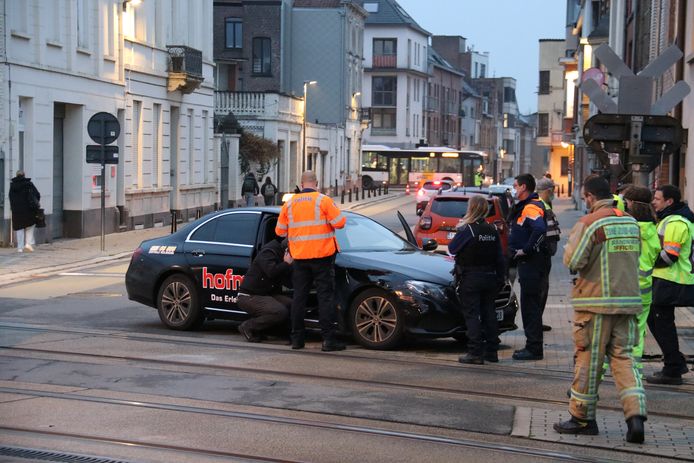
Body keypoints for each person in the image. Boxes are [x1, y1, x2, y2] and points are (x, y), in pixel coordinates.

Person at [555, 174, 646, 443]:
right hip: (628, 303)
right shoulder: (630, 222)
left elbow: (573, 260)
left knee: (588, 361)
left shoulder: (589, 223)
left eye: (585, 198)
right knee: (625, 360)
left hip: (594, 305)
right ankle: (635, 417)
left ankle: (582, 418)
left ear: (591, 197)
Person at [275, 170, 347, 351]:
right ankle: (328, 340)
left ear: (301, 183)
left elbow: (280, 232)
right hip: (322, 257)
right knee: (325, 298)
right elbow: (340, 222)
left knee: (299, 298)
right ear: (316, 182)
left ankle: (297, 340)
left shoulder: (290, 204)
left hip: (299, 258)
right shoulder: (323, 200)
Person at [646, 184, 694, 385]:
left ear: (669, 201)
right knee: (658, 319)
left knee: (660, 321)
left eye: (657, 199)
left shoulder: (675, 222)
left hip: (673, 279)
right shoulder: (674, 219)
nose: (654, 202)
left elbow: (670, 255)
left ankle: (673, 367)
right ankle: (674, 362)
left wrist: (647, 261)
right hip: (671, 279)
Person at [449, 195, 505, 364]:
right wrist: (500, 278)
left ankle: (475, 352)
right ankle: (492, 352)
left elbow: (452, 249)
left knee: (472, 315)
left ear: (471, 208)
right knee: (489, 314)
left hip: (471, 278)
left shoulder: (468, 230)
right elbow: (500, 257)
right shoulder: (492, 229)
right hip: (490, 277)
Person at [622, 186, 660, 379]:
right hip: (644, 289)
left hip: (623, 288)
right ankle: (634, 376)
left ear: (631, 204)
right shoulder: (654, 229)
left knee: (611, 333)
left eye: (626, 202)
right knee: (638, 333)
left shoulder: (627, 228)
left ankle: (596, 378)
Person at [508, 173, 547, 360]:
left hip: (531, 264)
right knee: (531, 306)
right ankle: (533, 346)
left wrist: (526, 250)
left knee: (530, 307)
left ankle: (533, 348)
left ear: (523, 187)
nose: (515, 189)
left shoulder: (530, 207)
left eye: (516, 186)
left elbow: (539, 229)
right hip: (531, 263)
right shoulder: (529, 205)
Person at [236, 237, 293, 343]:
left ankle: (282, 333)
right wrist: (286, 264)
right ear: (287, 250)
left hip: (266, 294)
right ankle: (248, 326)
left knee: (291, 304)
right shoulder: (268, 252)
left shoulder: (282, 254)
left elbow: (287, 281)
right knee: (280, 311)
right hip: (249, 295)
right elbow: (271, 272)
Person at [536, 177, 561, 332]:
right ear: (548, 190)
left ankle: (538, 319)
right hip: (541, 255)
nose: (554, 193)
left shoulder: (546, 204)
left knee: (543, 289)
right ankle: (535, 322)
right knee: (540, 290)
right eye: (553, 190)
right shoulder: (540, 206)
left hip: (545, 255)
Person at [9, 170, 41, 253]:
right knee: (30, 226)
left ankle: (20, 248)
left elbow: (10, 198)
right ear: (24, 175)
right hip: (29, 210)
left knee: (19, 228)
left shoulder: (12, 186)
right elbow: (37, 194)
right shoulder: (29, 184)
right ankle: (28, 244)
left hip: (17, 211)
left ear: (16, 175)